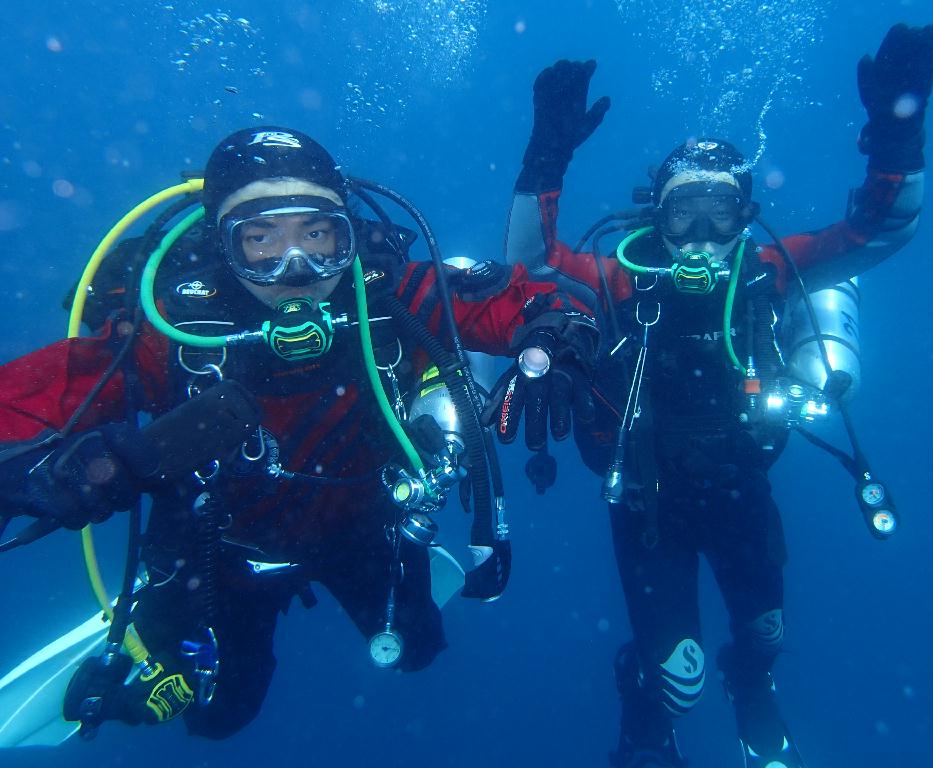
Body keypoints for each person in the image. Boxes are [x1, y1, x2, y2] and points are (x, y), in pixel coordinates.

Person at [0, 126, 597, 740]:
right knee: (220, 717)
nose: (297, 269)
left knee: (420, 648)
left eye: (317, 235)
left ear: (348, 236)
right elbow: (28, 396)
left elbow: (522, 298)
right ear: (222, 246)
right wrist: (51, 473)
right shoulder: (172, 336)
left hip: (362, 527)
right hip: (217, 553)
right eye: (261, 239)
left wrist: (555, 330)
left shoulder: (387, 299)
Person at [501, 25, 933, 768]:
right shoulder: (622, 278)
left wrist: (897, 140)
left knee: (767, 631)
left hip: (742, 489)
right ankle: (646, 701)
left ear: (745, 216)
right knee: (678, 678)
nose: (702, 234)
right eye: (684, 214)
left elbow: (879, 232)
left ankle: (753, 683)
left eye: (722, 213)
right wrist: (546, 157)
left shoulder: (768, 271)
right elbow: (529, 265)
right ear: (658, 217)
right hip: (644, 505)